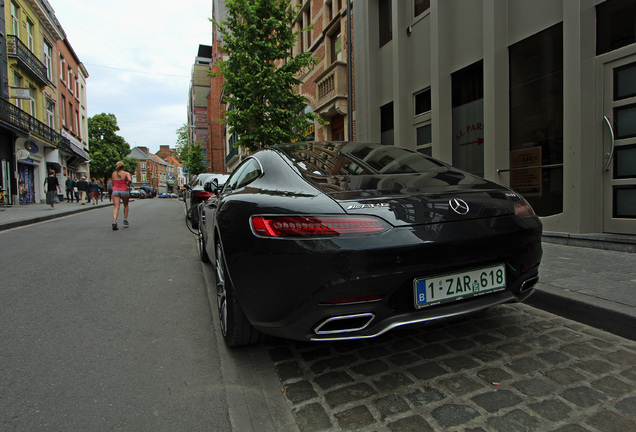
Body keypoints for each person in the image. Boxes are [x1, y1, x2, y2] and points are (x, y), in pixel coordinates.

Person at [111, 161, 132, 230]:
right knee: (125, 205)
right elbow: (129, 179)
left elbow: (113, 183)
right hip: (124, 190)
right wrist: (128, 184)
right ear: (123, 167)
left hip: (115, 191)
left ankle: (114, 221)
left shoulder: (113, 174)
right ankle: (125, 219)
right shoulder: (126, 173)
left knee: (116, 207)